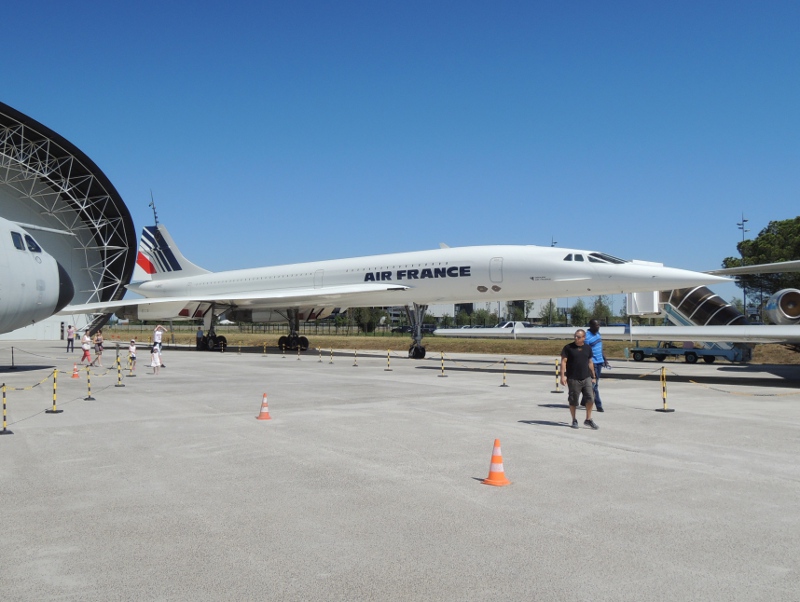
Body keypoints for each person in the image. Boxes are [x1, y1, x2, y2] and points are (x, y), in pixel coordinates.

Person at [560, 329, 598, 430]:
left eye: (578, 337)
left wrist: (593, 376)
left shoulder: (587, 348)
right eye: (575, 336)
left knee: (590, 398)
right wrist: (563, 376)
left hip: (586, 378)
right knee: (573, 400)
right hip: (573, 378)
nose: (576, 338)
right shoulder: (568, 348)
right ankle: (574, 419)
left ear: (584, 338)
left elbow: (590, 362)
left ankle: (588, 419)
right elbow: (563, 362)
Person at [582, 319, 608, 412]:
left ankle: (584, 400)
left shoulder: (598, 334)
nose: (598, 327)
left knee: (593, 384)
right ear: (591, 326)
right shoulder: (587, 337)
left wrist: (604, 359)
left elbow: (600, 347)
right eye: (596, 325)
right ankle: (599, 405)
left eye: (599, 325)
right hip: (592, 363)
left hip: (600, 362)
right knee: (594, 385)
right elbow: (585, 351)